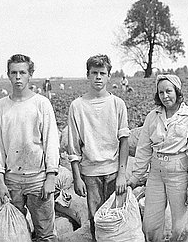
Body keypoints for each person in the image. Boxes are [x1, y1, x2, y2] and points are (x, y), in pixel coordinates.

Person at [127, 74, 188, 242]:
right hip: (156, 172)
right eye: (161, 92)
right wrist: (136, 176)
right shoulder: (152, 116)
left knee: (180, 228)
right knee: (150, 224)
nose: (165, 96)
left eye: (168, 91)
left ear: (177, 92)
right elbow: (143, 149)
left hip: (179, 172)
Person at [0, 54, 59, 242]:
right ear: (8, 75)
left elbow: (51, 141)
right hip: (12, 179)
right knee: (15, 234)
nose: (18, 77)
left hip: (38, 179)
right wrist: (0, 180)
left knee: (45, 234)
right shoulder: (1, 107)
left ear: (30, 75)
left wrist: (51, 177)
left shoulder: (41, 104)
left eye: (22, 72)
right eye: (14, 73)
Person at [67, 54, 130, 241]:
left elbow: (124, 141)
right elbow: (73, 146)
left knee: (116, 218)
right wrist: (77, 177)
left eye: (103, 73)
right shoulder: (77, 106)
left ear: (109, 76)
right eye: (94, 73)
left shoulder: (117, 104)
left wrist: (121, 174)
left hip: (113, 172)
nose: (98, 77)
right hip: (90, 173)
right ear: (88, 75)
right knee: (95, 219)